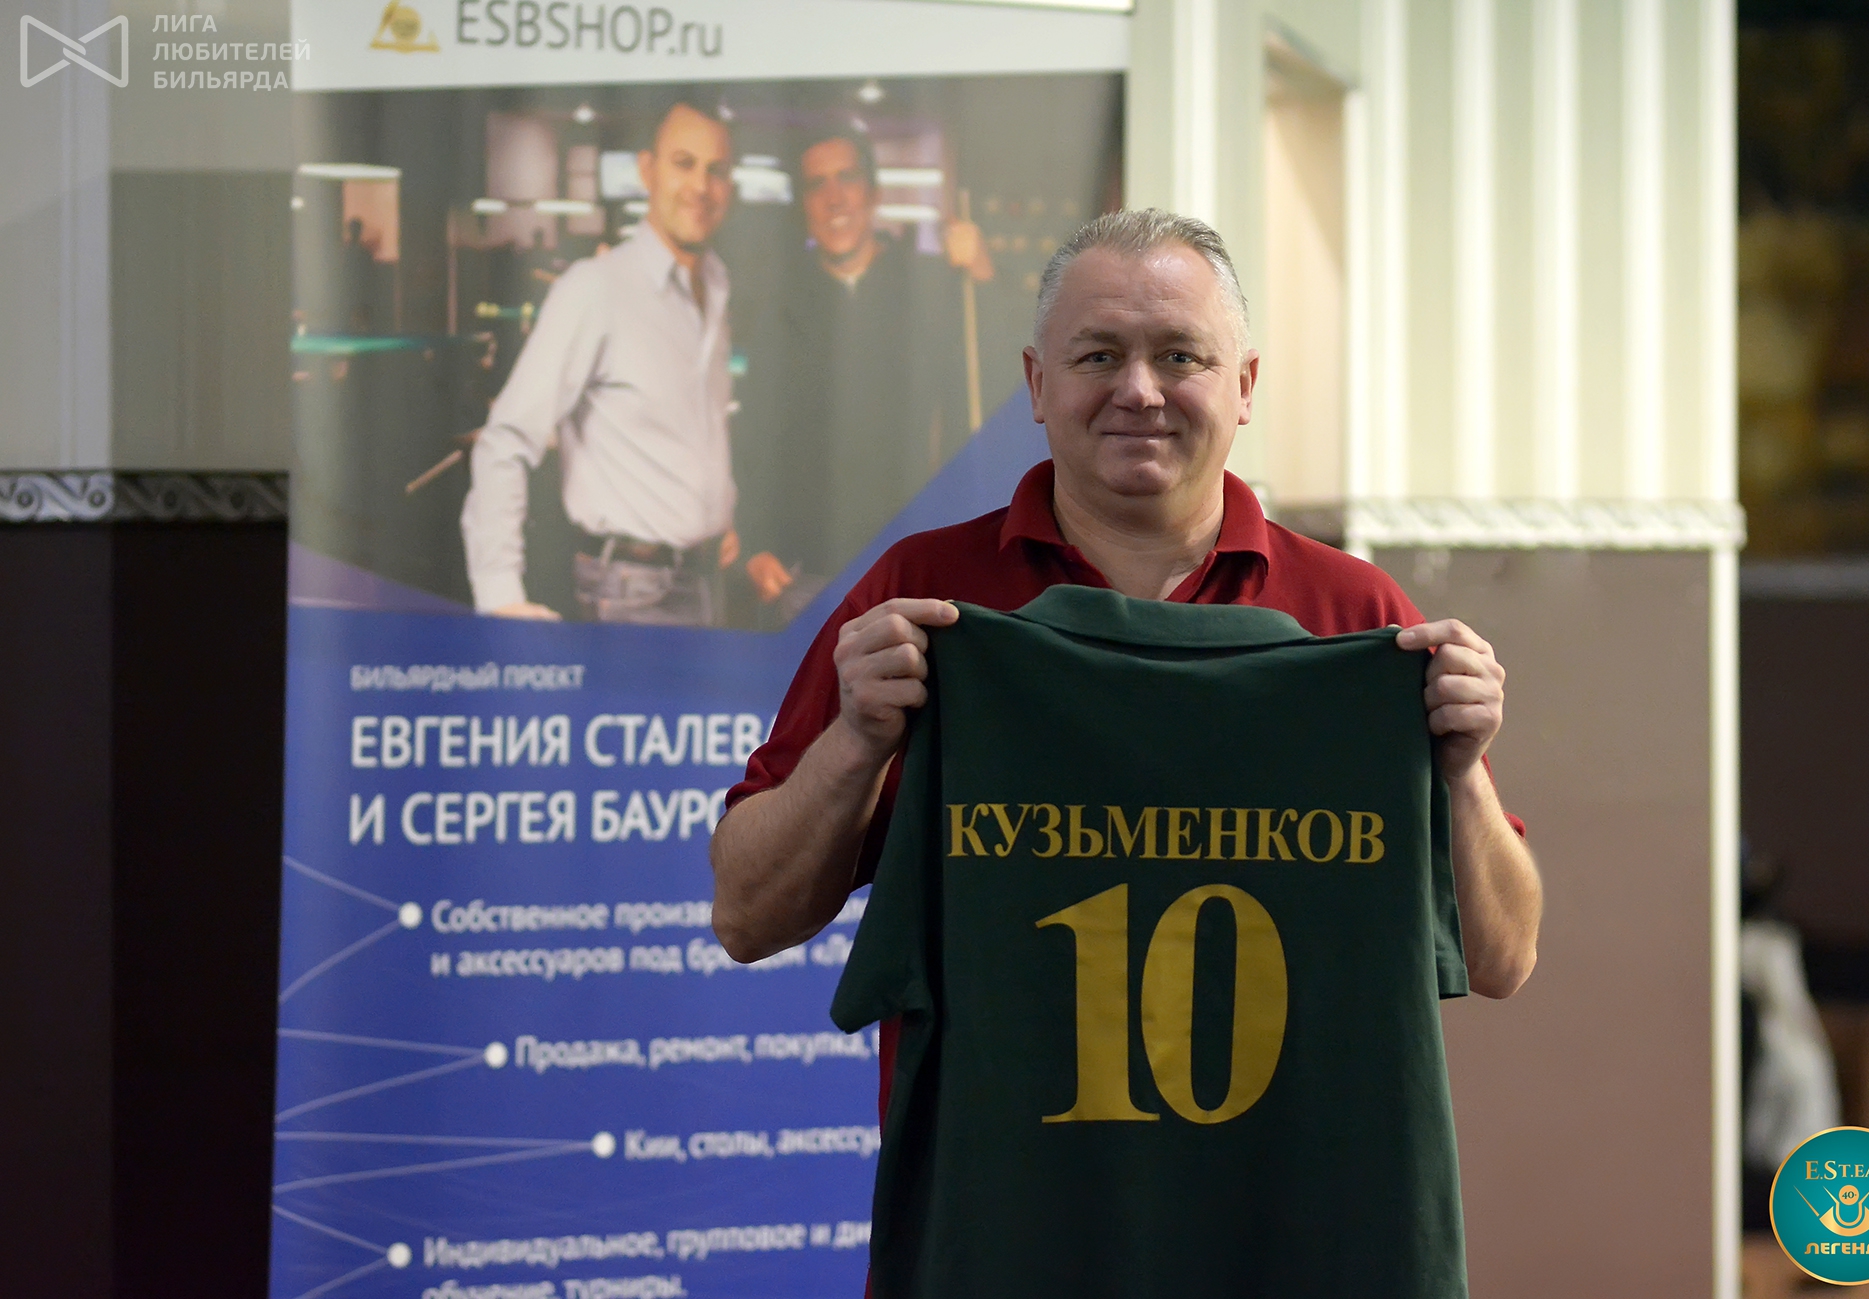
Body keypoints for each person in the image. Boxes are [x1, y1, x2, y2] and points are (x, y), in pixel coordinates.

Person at [711, 207, 1539, 994]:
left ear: (1244, 386)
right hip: (995, 1105)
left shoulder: (1352, 612)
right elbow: (747, 919)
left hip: (1283, 1106)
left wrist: (1460, 772)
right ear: (1037, 384)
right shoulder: (922, 598)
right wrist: (857, 743)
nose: (1139, 390)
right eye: (1098, 357)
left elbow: (1500, 959)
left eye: (1179, 356)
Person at [461, 97, 780, 624]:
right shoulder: (596, 288)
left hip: (707, 580)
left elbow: (693, 431)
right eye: (684, 163)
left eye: (717, 170)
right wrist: (499, 594)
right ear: (647, 170)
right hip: (630, 590)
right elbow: (506, 440)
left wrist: (716, 514)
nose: (701, 186)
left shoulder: (717, 287)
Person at [732, 120, 996, 616]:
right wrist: (754, 542)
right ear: (804, 206)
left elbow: (997, 381)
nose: (834, 198)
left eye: (847, 178)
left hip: (913, 570)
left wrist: (982, 277)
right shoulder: (783, 307)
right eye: (816, 185)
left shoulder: (928, 290)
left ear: (873, 193)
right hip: (805, 573)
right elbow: (754, 434)